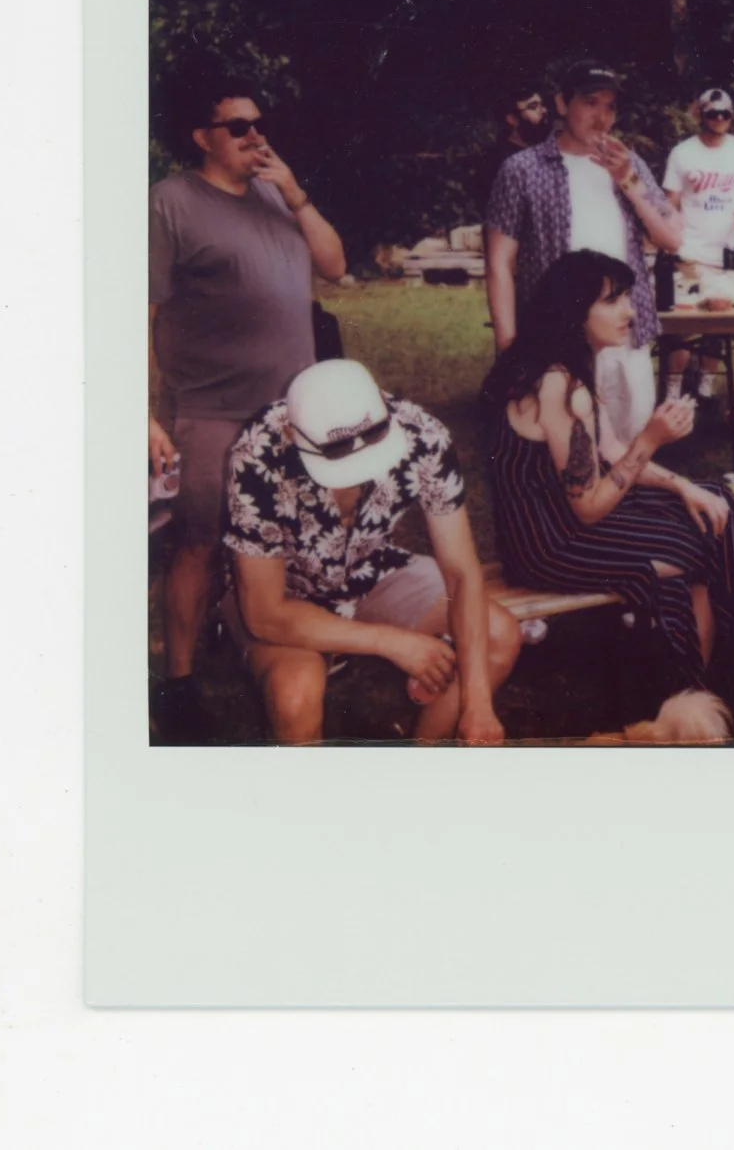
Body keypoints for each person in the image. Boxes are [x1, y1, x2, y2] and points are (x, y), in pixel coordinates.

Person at [483, 250, 734, 713]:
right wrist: (650, 439)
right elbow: (589, 503)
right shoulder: (556, 385)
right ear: (574, 310)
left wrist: (682, 486)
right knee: (698, 546)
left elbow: (611, 454)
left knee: (711, 502)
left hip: (562, 523)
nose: (630, 311)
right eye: (613, 301)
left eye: (627, 297)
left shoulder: (563, 368)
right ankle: (700, 693)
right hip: (548, 546)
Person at [148, 70, 347, 740]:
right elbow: (138, 310)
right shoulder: (170, 203)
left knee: (284, 543)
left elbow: (335, 264)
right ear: (201, 136)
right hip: (211, 410)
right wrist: (145, 413)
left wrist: (294, 192)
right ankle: (177, 683)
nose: (254, 134)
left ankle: (275, 646)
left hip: (291, 413)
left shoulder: (274, 193)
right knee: (198, 545)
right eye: (238, 125)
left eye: (258, 122)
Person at [224, 357, 520, 746]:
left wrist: (477, 704)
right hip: (284, 593)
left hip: (368, 568)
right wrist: (391, 642)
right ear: (291, 433)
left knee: (500, 634)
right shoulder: (258, 450)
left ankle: (418, 766)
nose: (361, 472)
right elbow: (264, 614)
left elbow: (462, 573)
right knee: (294, 694)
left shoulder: (423, 434)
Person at [485, 59, 683, 453]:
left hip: (625, 332)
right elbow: (498, 264)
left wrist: (628, 181)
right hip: (555, 341)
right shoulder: (521, 170)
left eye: (610, 107)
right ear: (561, 103)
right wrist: (509, 346)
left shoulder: (630, 165)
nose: (601, 117)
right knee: (565, 452)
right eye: (591, 102)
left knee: (630, 443)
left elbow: (672, 238)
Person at [657, 86, 734, 405]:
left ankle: (705, 388)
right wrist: (672, 240)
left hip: (729, 254)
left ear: (732, 117)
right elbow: (669, 203)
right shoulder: (682, 153)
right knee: (681, 325)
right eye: (712, 113)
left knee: (720, 325)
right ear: (700, 115)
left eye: (725, 114)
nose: (719, 119)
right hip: (691, 251)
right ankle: (674, 390)